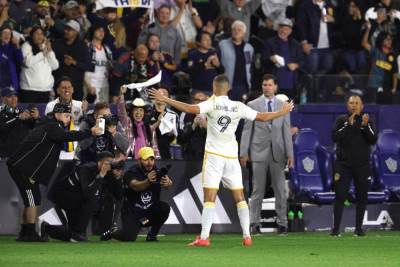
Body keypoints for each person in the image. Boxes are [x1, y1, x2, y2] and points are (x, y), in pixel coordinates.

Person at [149, 74, 293, 246]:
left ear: (214, 87)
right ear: (229, 88)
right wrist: (282, 112)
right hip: (231, 157)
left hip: (214, 157)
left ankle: (204, 238)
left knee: (209, 198)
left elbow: (189, 109)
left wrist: (165, 99)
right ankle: (247, 236)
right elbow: (262, 117)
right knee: (240, 197)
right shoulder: (238, 106)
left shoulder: (212, 103)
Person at [6, 103, 102, 241]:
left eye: (70, 116)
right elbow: (66, 136)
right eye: (66, 115)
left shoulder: (47, 123)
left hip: (21, 167)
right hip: (24, 168)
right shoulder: (52, 126)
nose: (68, 119)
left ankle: (25, 232)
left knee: (32, 199)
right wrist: (89, 133)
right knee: (33, 200)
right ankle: (30, 233)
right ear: (57, 113)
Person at [239, 74, 294, 235]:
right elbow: (247, 130)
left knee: (280, 191)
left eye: (270, 85)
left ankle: (282, 223)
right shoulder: (252, 104)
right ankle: (254, 223)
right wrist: (244, 152)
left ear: (275, 87)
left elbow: (286, 131)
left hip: (278, 153)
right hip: (258, 153)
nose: (267, 87)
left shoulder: (284, 105)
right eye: (264, 85)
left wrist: (290, 154)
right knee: (257, 190)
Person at [43, 151, 123, 242]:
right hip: (66, 198)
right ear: (100, 162)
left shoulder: (108, 173)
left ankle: (47, 228)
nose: (110, 165)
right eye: (108, 162)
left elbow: (119, 196)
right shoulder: (86, 169)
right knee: (92, 200)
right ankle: (78, 233)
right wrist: (101, 175)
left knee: (71, 235)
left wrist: (117, 178)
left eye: (111, 163)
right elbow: (88, 193)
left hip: (79, 202)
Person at [101, 147, 172, 242]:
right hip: (133, 213)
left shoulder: (157, 171)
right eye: (146, 159)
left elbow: (168, 183)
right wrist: (148, 181)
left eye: (151, 159)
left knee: (164, 208)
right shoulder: (131, 172)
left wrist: (168, 183)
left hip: (147, 217)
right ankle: (113, 232)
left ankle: (152, 235)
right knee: (129, 237)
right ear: (139, 160)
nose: (149, 162)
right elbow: (135, 186)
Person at [331, 95, 377, 237]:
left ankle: (359, 229)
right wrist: (348, 125)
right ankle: (336, 229)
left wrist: (364, 126)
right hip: (343, 165)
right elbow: (334, 137)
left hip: (362, 166)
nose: (354, 105)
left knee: (362, 196)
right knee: (340, 196)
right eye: (351, 103)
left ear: (362, 106)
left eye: (357, 103)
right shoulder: (341, 120)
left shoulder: (367, 120)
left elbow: (373, 139)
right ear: (347, 105)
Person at [19, 26, 59, 103]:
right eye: (37, 33)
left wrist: (50, 51)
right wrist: (43, 54)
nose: (40, 36)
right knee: (30, 114)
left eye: (41, 34)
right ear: (31, 35)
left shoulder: (45, 47)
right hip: (29, 90)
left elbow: (55, 66)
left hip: (46, 90)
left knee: (44, 115)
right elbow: (28, 62)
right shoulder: (26, 46)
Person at [117, 86, 160, 159]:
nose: (138, 113)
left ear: (144, 113)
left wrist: (157, 161)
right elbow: (121, 111)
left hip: (145, 161)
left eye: (141, 110)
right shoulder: (127, 123)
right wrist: (121, 94)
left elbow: (154, 148)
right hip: (129, 160)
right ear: (131, 112)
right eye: (136, 110)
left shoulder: (150, 128)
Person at [218, 20, 254, 101]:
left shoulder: (249, 48)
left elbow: (250, 68)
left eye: (239, 30)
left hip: (243, 86)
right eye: (234, 30)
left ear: (244, 33)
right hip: (227, 86)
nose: (236, 32)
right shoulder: (223, 44)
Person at [0, 86, 39, 158]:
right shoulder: (1, 112)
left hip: (23, 155)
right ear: (2, 98)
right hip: (6, 156)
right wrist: (18, 118)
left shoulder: (21, 112)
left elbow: (34, 128)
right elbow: (2, 128)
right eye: (10, 96)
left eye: (15, 96)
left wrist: (36, 118)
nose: (14, 99)